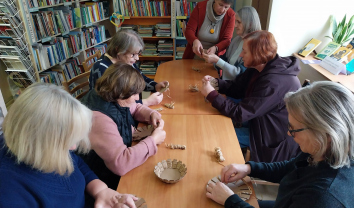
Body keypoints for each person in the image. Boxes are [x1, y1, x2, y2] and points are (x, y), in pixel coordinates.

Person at [206, 81, 354, 208]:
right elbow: (291, 167)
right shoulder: (321, 149)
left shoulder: (323, 197)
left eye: (294, 129)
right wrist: (249, 168)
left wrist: (231, 201)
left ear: (326, 135)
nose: (289, 134)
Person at [0, 83, 137, 208]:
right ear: (41, 141)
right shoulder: (10, 193)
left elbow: (77, 163)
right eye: (69, 141)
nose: (74, 148)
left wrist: (101, 190)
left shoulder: (45, 147)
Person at [201, 30, 300, 162]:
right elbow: (238, 88)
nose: (241, 55)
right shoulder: (258, 67)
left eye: (245, 52)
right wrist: (217, 84)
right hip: (257, 120)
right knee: (212, 124)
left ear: (258, 54)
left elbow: (241, 113)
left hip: (269, 136)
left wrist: (212, 95)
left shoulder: (274, 83)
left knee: (216, 135)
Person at [81, 63, 166, 189]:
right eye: (134, 94)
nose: (137, 97)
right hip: (101, 179)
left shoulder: (111, 94)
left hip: (110, 166)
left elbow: (134, 107)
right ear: (120, 94)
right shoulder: (100, 119)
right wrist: (153, 141)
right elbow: (121, 163)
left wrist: (151, 114)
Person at [89, 29, 169, 106]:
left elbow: (141, 79)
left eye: (138, 53)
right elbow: (111, 105)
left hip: (133, 110)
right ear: (118, 50)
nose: (137, 58)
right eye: (133, 54)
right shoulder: (102, 68)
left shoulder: (126, 62)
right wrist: (146, 102)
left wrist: (155, 86)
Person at [202, 6, 261, 80]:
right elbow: (224, 60)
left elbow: (240, 74)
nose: (235, 25)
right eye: (235, 21)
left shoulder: (255, 47)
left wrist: (216, 60)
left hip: (236, 89)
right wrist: (211, 57)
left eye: (238, 22)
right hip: (226, 84)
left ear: (249, 24)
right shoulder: (236, 40)